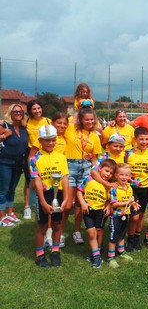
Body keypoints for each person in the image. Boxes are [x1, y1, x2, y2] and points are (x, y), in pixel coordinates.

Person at [61, 107, 102, 247]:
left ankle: (76, 231)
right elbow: (61, 123)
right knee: (67, 204)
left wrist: (96, 169)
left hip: (85, 169)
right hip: (70, 166)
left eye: (92, 119)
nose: (90, 122)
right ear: (80, 119)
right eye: (87, 119)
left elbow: (96, 158)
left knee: (80, 204)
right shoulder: (71, 129)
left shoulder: (95, 136)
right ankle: (59, 233)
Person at [30, 125, 69, 267]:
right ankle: (40, 256)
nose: (50, 143)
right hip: (44, 195)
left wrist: (65, 199)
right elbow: (37, 181)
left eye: (53, 140)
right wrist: (43, 202)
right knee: (42, 226)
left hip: (57, 194)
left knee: (57, 224)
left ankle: (55, 251)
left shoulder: (61, 157)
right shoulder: (34, 159)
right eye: (46, 140)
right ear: (40, 141)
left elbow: (64, 178)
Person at [77, 159, 117, 268]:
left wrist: (108, 206)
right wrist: (82, 203)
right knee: (91, 233)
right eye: (106, 171)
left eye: (111, 173)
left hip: (100, 212)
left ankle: (97, 250)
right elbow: (79, 191)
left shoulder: (109, 186)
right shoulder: (89, 179)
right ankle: (96, 257)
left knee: (99, 231)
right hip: (88, 210)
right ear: (99, 169)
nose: (108, 174)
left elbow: (110, 199)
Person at [125, 126, 148, 252]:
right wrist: (130, 181)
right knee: (134, 216)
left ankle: (136, 237)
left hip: (146, 188)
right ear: (135, 139)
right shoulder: (129, 153)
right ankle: (130, 238)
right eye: (141, 139)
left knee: (141, 214)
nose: (144, 142)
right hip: (132, 189)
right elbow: (124, 171)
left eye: (146, 139)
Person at [107, 163, 140, 269]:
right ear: (116, 175)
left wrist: (134, 204)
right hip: (115, 216)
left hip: (125, 215)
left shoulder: (129, 187)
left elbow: (130, 200)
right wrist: (128, 202)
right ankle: (110, 257)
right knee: (114, 236)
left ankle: (121, 252)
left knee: (122, 234)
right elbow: (114, 204)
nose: (124, 177)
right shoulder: (114, 188)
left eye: (126, 175)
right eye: (121, 175)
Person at [0, 104, 28, 227]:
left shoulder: (23, 128)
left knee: (12, 189)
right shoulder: (5, 126)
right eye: (15, 111)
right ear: (10, 113)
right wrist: (5, 135)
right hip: (5, 162)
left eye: (20, 112)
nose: (18, 113)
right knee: (3, 190)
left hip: (18, 163)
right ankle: (1, 216)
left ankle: (10, 212)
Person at [24, 100, 51, 220]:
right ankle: (27, 207)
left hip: (45, 152)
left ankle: (43, 204)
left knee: (44, 179)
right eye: (34, 109)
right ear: (30, 111)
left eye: (39, 108)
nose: (37, 111)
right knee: (29, 180)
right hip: (31, 151)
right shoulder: (27, 121)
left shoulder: (48, 121)